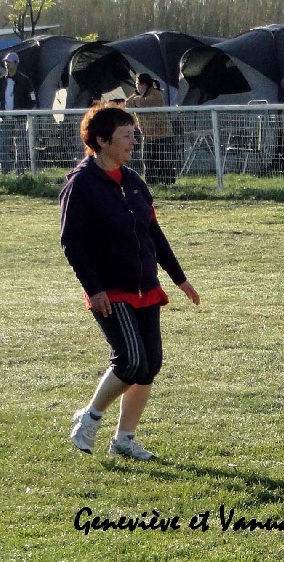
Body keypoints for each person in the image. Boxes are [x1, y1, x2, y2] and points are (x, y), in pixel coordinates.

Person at [60, 105, 200, 460]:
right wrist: (94, 288)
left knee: (149, 366)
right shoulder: (81, 184)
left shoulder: (134, 181)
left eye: (133, 133)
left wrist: (179, 278)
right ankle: (88, 419)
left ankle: (124, 439)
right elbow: (71, 242)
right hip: (110, 289)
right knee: (130, 361)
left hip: (145, 286)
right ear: (103, 140)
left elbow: (153, 232)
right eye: (126, 134)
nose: (134, 141)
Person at [125, 73, 176, 185]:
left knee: (164, 162)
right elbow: (127, 104)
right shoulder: (138, 96)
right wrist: (135, 98)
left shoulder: (156, 94)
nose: (136, 86)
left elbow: (145, 103)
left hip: (162, 135)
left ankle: (168, 184)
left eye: (138, 83)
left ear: (144, 84)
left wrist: (136, 100)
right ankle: (151, 185)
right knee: (148, 162)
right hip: (147, 136)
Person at [0, 51, 37, 173]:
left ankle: (19, 171)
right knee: (2, 145)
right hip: (4, 118)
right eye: (6, 62)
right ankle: (5, 170)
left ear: (16, 63)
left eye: (9, 62)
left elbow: (32, 100)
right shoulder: (1, 81)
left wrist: (24, 113)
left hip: (19, 119)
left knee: (20, 146)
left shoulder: (25, 80)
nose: (7, 64)